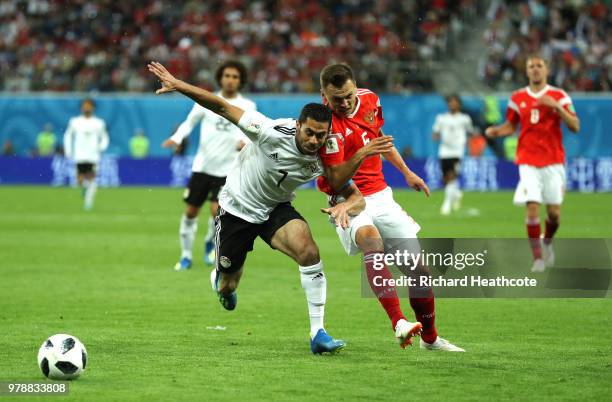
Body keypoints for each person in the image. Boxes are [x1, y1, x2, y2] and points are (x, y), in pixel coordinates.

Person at [148, 61, 347, 354]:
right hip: (237, 209)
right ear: (298, 126)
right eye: (308, 133)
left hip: (275, 209)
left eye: (320, 135)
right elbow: (220, 106)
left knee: (309, 251)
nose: (314, 140)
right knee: (228, 285)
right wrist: (179, 85)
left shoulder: (327, 153)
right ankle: (220, 281)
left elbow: (346, 184)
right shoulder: (269, 130)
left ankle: (318, 332)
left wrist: (350, 203)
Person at [318, 63, 464, 352]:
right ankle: (398, 322)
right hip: (347, 199)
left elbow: (380, 139)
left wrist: (407, 172)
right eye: (336, 99)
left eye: (348, 96)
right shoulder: (323, 123)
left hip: (382, 196)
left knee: (419, 272)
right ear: (324, 95)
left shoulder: (370, 99)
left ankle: (431, 339)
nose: (344, 103)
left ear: (355, 86)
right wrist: (362, 153)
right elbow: (335, 177)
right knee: (372, 243)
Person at [486, 55, 580, 272]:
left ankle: (547, 242)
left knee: (554, 214)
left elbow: (575, 126)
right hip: (527, 160)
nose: (536, 69)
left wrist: (556, 106)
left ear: (547, 70)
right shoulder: (517, 97)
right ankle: (537, 258)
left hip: (553, 161)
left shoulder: (559, 95)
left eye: (539, 66)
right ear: (526, 71)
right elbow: (511, 126)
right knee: (532, 208)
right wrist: (495, 131)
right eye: (531, 66)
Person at [162, 61, 256, 271]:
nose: (230, 80)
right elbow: (189, 123)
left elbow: (254, 132)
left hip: (228, 170)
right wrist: (177, 138)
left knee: (218, 212)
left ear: (240, 81)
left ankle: (209, 243)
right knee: (191, 212)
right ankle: (186, 255)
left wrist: (246, 143)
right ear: (220, 78)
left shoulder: (248, 106)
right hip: (202, 167)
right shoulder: (206, 100)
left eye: (235, 76)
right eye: (227, 75)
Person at [432, 94, 475, 215]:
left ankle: (446, 204)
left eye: (454, 102)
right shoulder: (441, 118)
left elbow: (470, 131)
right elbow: (435, 132)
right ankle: (456, 194)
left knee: (452, 176)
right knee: (445, 179)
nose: (452, 104)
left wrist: (469, 142)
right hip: (444, 151)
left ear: (459, 104)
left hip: (457, 151)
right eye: (450, 102)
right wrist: (436, 136)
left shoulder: (465, 118)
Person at [63, 99, 109, 211]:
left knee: (92, 178)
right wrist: (68, 150)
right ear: (81, 108)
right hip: (79, 155)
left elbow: (105, 137)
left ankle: (88, 202)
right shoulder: (75, 121)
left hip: (93, 156)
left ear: (93, 108)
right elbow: (68, 136)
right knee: (80, 180)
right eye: (85, 106)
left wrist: (101, 147)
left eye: (89, 106)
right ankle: (84, 188)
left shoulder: (99, 122)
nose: (87, 108)